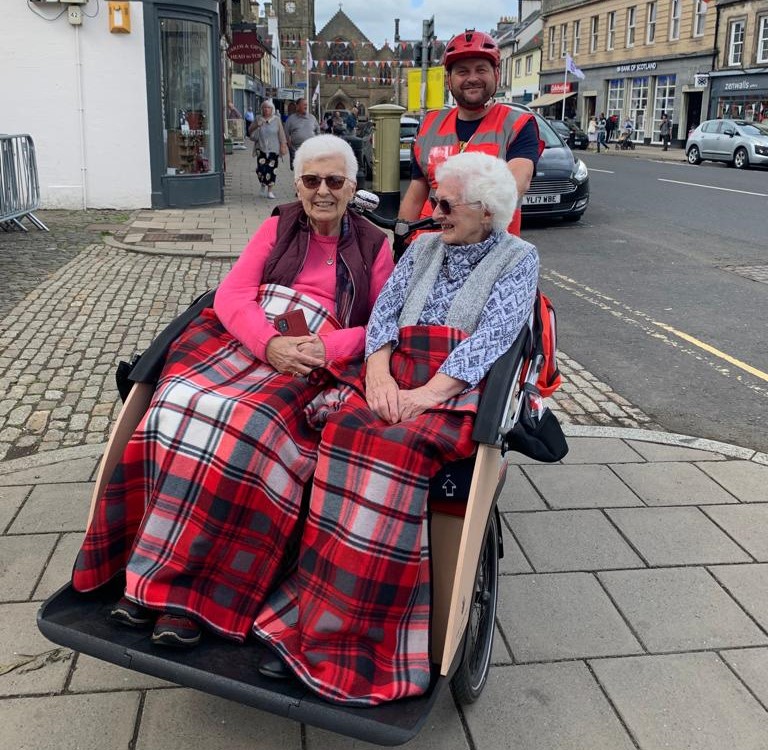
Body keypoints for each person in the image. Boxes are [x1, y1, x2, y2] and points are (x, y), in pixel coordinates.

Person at [71, 134, 395, 649]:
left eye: (335, 181)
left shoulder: (376, 245)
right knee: (174, 404)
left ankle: (194, 597)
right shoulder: (277, 225)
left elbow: (381, 323)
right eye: (312, 180)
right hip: (255, 339)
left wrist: (326, 348)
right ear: (298, 183)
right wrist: (269, 345)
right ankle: (147, 572)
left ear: (353, 187)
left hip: (317, 353)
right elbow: (234, 293)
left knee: (248, 429)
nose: (323, 191)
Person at [252, 151, 539, 705]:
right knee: (339, 433)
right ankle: (310, 617)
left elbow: (494, 337)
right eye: (436, 200)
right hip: (397, 376)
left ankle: (359, 637)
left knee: (391, 454)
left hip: (454, 392)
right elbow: (384, 312)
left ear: (486, 210)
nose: (435, 211)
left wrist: (424, 397)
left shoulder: (518, 258)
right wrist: (379, 374)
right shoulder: (425, 246)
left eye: (446, 204)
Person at [398, 29, 542, 237]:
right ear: (449, 80)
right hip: (430, 248)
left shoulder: (517, 124)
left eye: (481, 70)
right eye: (462, 71)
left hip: (489, 253)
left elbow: (515, 184)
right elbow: (415, 195)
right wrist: (401, 240)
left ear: (496, 74)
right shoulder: (430, 125)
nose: (472, 78)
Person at [249, 100, 288, 199]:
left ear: (272, 109)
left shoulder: (277, 120)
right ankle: (263, 183)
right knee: (261, 169)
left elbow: (281, 134)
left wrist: (283, 146)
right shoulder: (258, 118)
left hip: (273, 149)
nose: (266, 109)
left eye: (268, 107)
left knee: (272, 170)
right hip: (261, 148)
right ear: (262, 109)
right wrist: (257, 125)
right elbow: (249, 131)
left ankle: (270, 191)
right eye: (264, 107)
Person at [284, 97, 321, 170]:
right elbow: (286, 134)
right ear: (297, 106)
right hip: (296, 150)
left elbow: (318, 131)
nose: (306, 107)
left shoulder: (312, 118)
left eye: (306, 105)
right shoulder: (291, 119)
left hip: (311, 150)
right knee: (298, 172)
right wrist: (290, 146)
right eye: (303, 105)